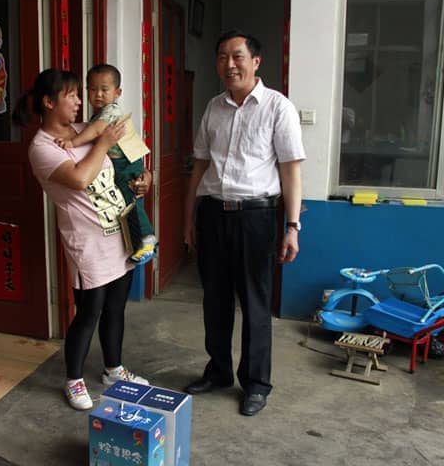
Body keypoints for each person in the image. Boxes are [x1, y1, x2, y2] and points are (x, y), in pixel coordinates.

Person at [183, 30, 305, 416]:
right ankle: (218, 371)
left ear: (255, 61)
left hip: (257, 216)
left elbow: (291, 172)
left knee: (255, 303)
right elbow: (199, 167)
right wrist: (189, 218)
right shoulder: (213, 107)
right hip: (213, 214)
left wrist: (292, 227)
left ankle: (255, 383)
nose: (229, 64)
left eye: (237, 56)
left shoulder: (278, 107)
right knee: (215, 300)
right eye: (222, 57)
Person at [16, 68, 151, 411]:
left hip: (120, 233)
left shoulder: (84, 130)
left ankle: (113, 370)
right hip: (87, 243)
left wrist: (144, 178)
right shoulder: (42, 147)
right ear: (49, 102)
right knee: (89, 312)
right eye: (73, 95)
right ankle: (73, 379)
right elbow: (79, 179)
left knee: (116, 307)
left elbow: (126, 159)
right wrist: (101, 143)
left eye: (80, 94)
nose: (81, 101)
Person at [54, 64, 156, 264]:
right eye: (92, 89)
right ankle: (137, 243)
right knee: (124, 202)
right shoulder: (98, 115)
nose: (98, 94)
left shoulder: (111, 111)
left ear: (117, 93)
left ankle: (147, 239)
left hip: (125, 163)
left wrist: (72, 143)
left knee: (130, 201)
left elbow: (96, 131)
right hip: (122, 163)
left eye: (104, 89)